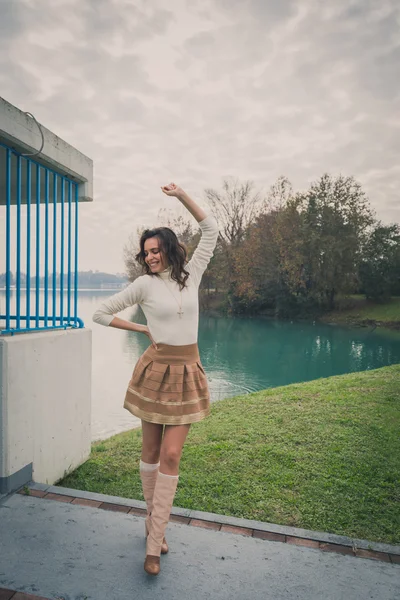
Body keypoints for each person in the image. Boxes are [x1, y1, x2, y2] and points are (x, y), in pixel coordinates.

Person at [92, 183, 219, 576]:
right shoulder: (143, 284)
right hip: (155, 371)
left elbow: (211, 229)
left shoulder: (191, 275)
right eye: (144, 253)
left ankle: (154, 535)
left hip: (187, 372)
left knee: (172, 455)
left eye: (154, 250)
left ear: (168, 248)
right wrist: (141, 330)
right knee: (149, 453)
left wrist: (181, 195)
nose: (148, 257)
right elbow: (100, 313)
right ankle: (155, 532)